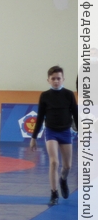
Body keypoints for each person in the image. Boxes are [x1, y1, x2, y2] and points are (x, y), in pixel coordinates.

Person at [30, 66, 78, 206]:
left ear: (63, 79)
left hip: (65, 132)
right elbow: (40, 117)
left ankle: (63, 179)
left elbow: (75, 114)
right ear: (48, 80)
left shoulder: (69, 94)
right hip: (51, 132)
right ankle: (54, 193)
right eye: (53, 79)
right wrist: (34, 137)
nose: (56, 81)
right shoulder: (45, 96)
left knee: (67, 166)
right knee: (54, 162)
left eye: (58, 78)